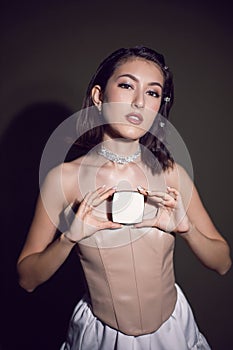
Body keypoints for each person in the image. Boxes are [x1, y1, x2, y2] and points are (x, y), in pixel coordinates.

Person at [17, 46, 231, 350]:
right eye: (127, 85)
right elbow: (27, 279)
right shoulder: (63, 180)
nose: (139, 102)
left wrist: (187, 229)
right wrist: (68, 239)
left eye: (153, 93)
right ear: (98, 96)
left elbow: (223, 263)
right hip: (100, 337)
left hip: (173, 333)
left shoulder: (172, 174)